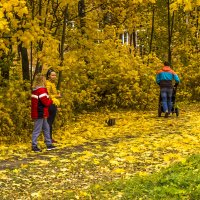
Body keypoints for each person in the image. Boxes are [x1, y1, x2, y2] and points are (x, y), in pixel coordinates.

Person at [31, 74, 56, 152]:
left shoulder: (35, 90)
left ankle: (48, 144)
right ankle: (34, 146)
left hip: (40, 112)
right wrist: (51, 100)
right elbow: (45, 102)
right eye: (44, 79)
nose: (45, 81)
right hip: (40, 113)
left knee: (46, 128)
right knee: (37, 129)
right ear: (42, 81)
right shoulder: (41, 90)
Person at [46, 68, 61, 143]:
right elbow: (47, 95)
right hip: (50, 104)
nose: (54, 76)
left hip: (53, 104)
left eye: (55, 75)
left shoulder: (52, 83)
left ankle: (49, 138)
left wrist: (57, 106)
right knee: (49, 122)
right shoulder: (48, 83)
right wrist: (57, 96)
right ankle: (48, 139)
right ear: (48, 76)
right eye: (52, 75)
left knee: (50, 122)